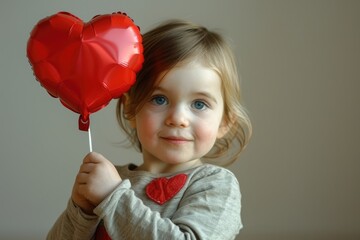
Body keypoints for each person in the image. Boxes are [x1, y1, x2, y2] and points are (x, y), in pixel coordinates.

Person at [47, 19, 252, 240]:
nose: (178, 119)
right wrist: (81, 211)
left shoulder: (214, 185)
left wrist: (113, 197)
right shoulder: (111, 179)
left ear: (224, 122)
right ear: (130, 109)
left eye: (199, 104)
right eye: (160, 99)